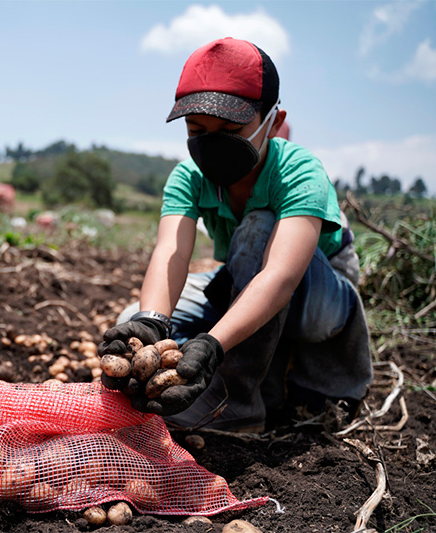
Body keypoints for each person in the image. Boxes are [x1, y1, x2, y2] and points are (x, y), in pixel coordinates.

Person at [98, 37, 372, 432]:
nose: (213, 142)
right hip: (246, 279)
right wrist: (152, 322)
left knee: (260, 224)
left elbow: (280, 277)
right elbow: (171, 253)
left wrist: (213, 346)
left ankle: (237, 402)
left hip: (319, 299)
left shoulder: (298, 170)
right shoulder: (189, 177)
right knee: (132, 321)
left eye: (231, 129)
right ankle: (241, 375)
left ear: (273, 123)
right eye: (197, 128)